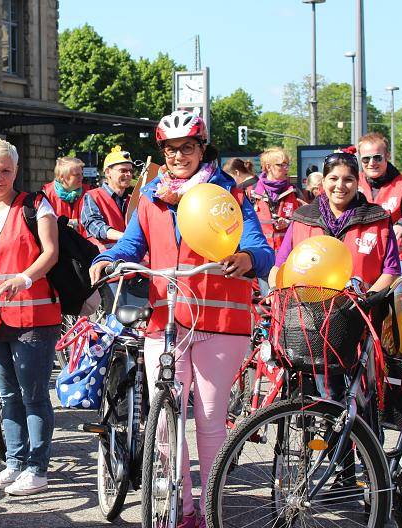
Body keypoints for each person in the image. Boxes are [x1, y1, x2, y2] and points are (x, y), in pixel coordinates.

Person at [89, 110, 273, 528]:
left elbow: (262, 249)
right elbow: (132, 244)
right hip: (166, 320)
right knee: (164, 424)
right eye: (170, 149)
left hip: (220, 324)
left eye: (187, 147)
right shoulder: (151, 196)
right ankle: (182, 510)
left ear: (201, 149)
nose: (178, 156)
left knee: (209, 421)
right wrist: (107, 259)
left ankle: (210, 511)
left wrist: (246, 257)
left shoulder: (228, 194)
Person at [0, 138, 61, 496]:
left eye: (5, 170)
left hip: (33, 315)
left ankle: (37, 468)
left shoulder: (35, 205)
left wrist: (25, 278)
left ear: (16, 170)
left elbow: (50, 252)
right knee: (7, 395)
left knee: (33, 395)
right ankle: (14, 463)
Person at [270, 151, 400, 292]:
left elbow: (391, 271)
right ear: (323, 182)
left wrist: (367, 299)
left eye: (348, 179)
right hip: (307, 305)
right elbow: (279, 267)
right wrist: (275, 291)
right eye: (333, 178)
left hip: (364, 304)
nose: (340, 185)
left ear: (357, 182)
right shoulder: (302, 218)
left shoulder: (379, 219)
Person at [357, 133, 402, 270]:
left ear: (387, 156)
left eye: (377, 157)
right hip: (362, 256)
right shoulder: (353, 182)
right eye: (366, 159)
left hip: (399, 258)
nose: (372, 163)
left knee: (397, 281)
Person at [251, 147, 303, 251]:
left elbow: (304, 223)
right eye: (281, 165)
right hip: (261, 253)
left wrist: (288, 223)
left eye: (287, 165)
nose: (286, 168)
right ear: (268, 167)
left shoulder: (294, 192)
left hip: (287, 253)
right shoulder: (253, 192)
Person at [81, 145, 133, 250]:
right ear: (108, 172)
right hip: (103, 255)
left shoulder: (132, 200)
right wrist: (125, 237)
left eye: (130, 171)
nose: (128, 174)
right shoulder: (93, 196)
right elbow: (94, 225)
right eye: (123, 170)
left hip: (129, 253)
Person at [43, 157, 87, 231]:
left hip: (83, 237)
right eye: (76, 175)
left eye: (81, 174)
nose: (81, 177)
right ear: (62, 177)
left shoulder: (89, 193)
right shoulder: (46, 195)